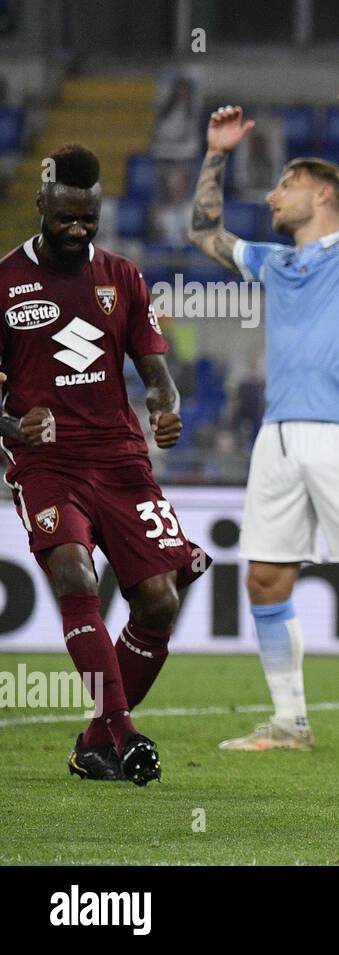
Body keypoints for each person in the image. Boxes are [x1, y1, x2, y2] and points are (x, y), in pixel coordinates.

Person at [186, 89, 339, 756]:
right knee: (264, 577)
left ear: (323, 194)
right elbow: (204, 233)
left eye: (285, 186)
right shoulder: (276, 261)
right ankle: (289, 722)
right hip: (279, 437)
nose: (271, 199)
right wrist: (214, 155)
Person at [0, 143, 208, 785]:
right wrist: (13, 426)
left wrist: (165, 408)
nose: (77, 228)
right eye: (65, 216)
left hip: (120, 461)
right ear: (41, 204)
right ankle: (124, 735)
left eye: (88, 218)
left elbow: (157, 375)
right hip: (46, 464)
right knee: (76, 577)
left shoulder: (123, 277)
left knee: (160, 602)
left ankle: (94, 743)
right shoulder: (4, 282)